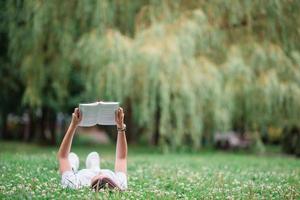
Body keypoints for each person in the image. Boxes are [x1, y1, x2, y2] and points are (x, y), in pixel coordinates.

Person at [57, 107, 128, 191]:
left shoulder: (74, 183)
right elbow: (121, 158)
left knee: (71, 158)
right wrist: (120, 127)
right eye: (105, 176)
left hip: (82, 174)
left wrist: (73, 125)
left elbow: (63, 157)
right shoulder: (119, 184)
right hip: (95, 172)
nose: (101, 173)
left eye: (99, 176)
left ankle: (73, 167)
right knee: (94, 156)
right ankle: (94, 165)